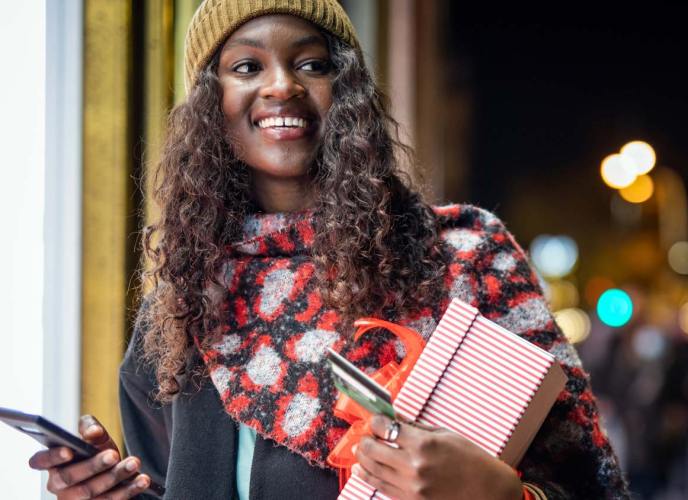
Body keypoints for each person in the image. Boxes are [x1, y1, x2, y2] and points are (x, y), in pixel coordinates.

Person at [28, 1, 629, 498]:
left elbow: (588, 485)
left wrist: (500, 495)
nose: (282, 85)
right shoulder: (181, 307)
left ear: (347, 94)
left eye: (311, 64)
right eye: (245, 67)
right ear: (211, 106)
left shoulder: (461, 258)